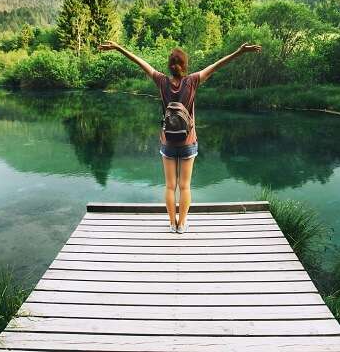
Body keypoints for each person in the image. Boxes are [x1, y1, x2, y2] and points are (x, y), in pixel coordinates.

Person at [98, 41, 261, 233]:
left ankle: (171, 223)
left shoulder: (161, 81)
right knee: (184, 186)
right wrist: (239, 52)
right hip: (188, 142)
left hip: (167, 141)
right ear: (185, 66)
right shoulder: (193, 80)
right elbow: (218, 65)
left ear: (170, 66)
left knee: (170, 187)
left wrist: (118, 47)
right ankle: (182, 225)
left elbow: (140, 62)